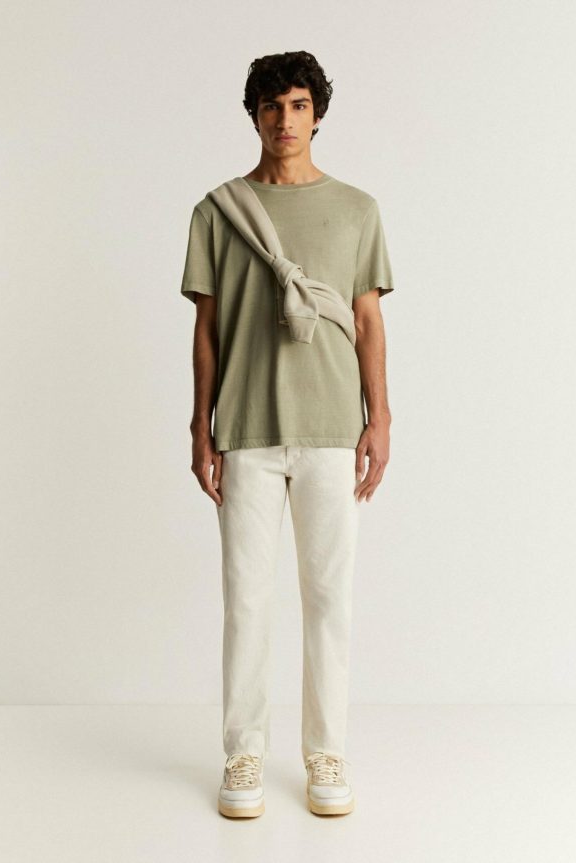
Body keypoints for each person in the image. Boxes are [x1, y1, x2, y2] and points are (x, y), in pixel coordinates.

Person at [180, 50, 394, 818]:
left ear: (318, 113)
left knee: (330, 597)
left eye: (298, 105)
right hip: (246, 429)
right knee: (246, 599)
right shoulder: (217, 212)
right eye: (271, 106)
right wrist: (201, 426)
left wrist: (380, 416)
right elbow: (207, 330)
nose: (284, 120)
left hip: (333, 427)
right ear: (254, 115)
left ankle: (325, 750)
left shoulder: (358, 209)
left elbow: (366, 321)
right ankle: (243, 753)